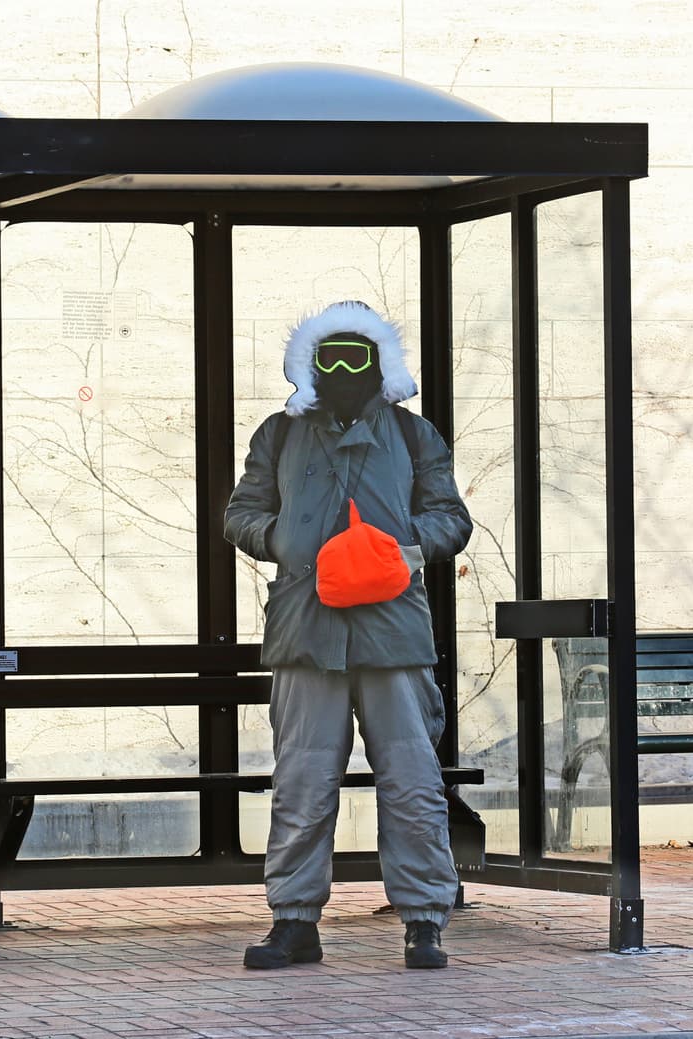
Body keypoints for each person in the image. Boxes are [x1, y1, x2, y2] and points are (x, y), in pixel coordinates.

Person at [224, 299, 472, 970]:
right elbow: (241, 512)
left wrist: (404, 550)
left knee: (412, 781)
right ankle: (295, 918)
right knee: (302, 782)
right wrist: (284, 538)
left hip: (394, 632)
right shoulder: (277, 433)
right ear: (309, 363)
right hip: (305, 631)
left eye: (355, 357)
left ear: (379, 363)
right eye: (328, 357)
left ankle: (424, 918)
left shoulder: (415, 435)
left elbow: (451, 516)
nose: (341, 370)